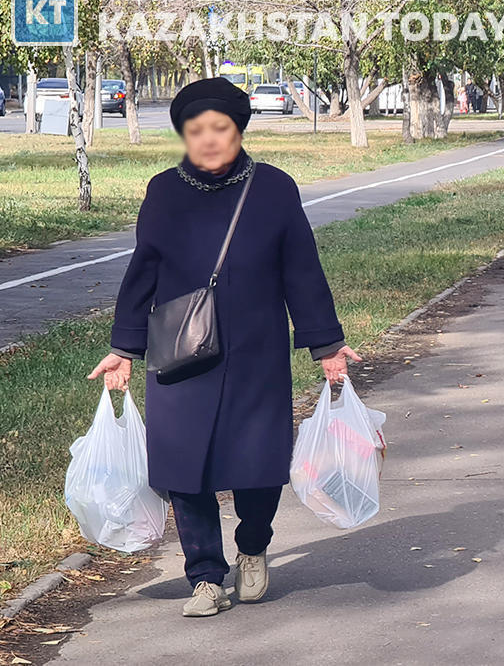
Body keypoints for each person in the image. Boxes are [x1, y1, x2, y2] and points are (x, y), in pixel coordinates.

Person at [87, 77, 361, 618]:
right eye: (196, 130)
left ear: (239, 131)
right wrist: (124, 348)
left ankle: (253, 545)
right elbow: (142, 271)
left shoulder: (274, 189)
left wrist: (326, 345)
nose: (209, 139)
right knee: (183, 468)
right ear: (184, 135)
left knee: (258, 464)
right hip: (181, 352)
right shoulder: (163, 191)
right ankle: (205, 577)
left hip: (255, 351)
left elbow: (302, 272)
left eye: (221, 128)